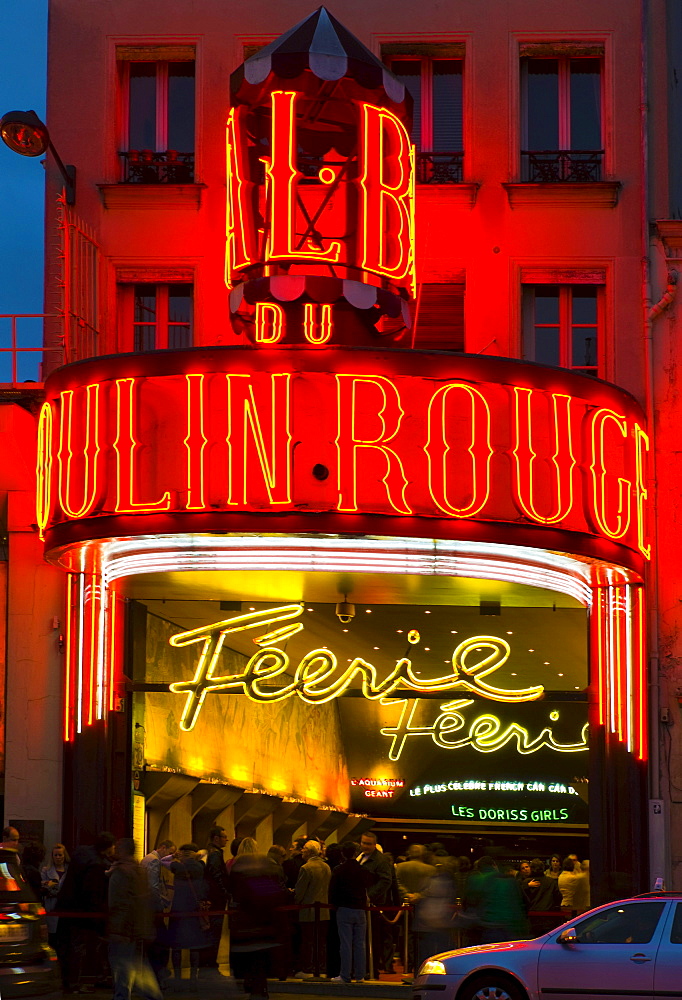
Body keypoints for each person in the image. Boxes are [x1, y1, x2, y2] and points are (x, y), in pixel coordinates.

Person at [57, 831, 117, 993]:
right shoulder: (96, 864)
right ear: (108, 847)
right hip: (81, 911)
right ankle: (75, 983)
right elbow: (91, 893)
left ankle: (68, 980)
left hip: (67, 906)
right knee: (79, 947)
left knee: (68, 945)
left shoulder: (81, 852)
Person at [230, 839, 286, 1000]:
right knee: (260, 961)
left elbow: (235, 894)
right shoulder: (268, 868)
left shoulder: (237, 869)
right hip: (265, 924)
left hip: (246, 925)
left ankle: (254, 988)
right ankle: (261, 990)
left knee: (251, 961)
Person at [108, 837, 160, 1000]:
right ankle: (154, 996)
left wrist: (116, 928)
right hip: (138, 929)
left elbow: (116, 902)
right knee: (137, 968)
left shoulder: (121, 872)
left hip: (123, 930)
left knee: (124, 972)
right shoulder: (139, 870)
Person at [162, 843, 211, 989]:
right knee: (194, 946)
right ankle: (193, 979)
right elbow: (205, 853)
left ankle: (177, 978)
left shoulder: (177, 867)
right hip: (194, 909)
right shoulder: (200, 866)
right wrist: (197, 855)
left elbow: (162, 861)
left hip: (178, 909)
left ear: (182, 853)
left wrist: (174, 856)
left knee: (177, 946)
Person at [329, 842, 375, 984]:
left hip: (344, 909)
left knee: (346, 944)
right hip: (360, 909)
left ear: (343, 853)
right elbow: (370, 883)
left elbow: (332, 890)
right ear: (356, 853)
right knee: (360, 944)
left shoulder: (338, 870)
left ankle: (345, 975)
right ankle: (360, 975)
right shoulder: (363, 870)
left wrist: (335, 905)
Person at [356, 832, 393, 977]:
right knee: (362, 938)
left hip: (374, 905)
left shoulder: (381, 860)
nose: (365, 846)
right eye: (364, 843)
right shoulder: (359, 856)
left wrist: (369, 896)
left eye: (369, 844)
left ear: (374, 844)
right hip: (360, 903)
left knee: (373, 938)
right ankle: (363, 967)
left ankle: (372, 968)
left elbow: (386, 881)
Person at [140, 839, 176, 988]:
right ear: (162, 848)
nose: (171, 856)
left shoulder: (146, 859)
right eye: (170, 852)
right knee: (160, 943)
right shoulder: (154, 861)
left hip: (145, 908)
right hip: (153, 909)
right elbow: (153, 886)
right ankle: (159, 975)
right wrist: (161, 904)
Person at [294, 840, 331, 979]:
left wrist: (295, 899)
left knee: (308, 941)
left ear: (309, 851)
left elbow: (300, 892)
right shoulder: (326, 867)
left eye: (303, 849)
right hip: (324, 911)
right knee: (321, 942)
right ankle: (321, 967)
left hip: (308, 911)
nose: (301, 851)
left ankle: (308, 968)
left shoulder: (306, 868)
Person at [202, 826, 230, 977]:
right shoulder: (215, 855)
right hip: (216, 899)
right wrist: (225, 892)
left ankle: (208, 963)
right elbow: (217, 875)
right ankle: (210, 964)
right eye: (224, 836)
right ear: (216, 838)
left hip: (211, 898)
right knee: (214, 932)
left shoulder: (211, 853)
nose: (227, 839)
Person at [40, 843, 70, 946]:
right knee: (52, 936)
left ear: (64, 855)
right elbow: (43, 886)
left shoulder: (69, 870)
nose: (58, 857)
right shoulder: (46, 870)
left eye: (60, 855)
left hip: (65, 906)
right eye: (55, 855)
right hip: (51, 905)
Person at [522, 859, 562, 936]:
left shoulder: (526, 883)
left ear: (531, 869)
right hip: (549, 917)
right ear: (543, 868)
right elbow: (558, 897)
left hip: (532, 918)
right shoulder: (550, 882)